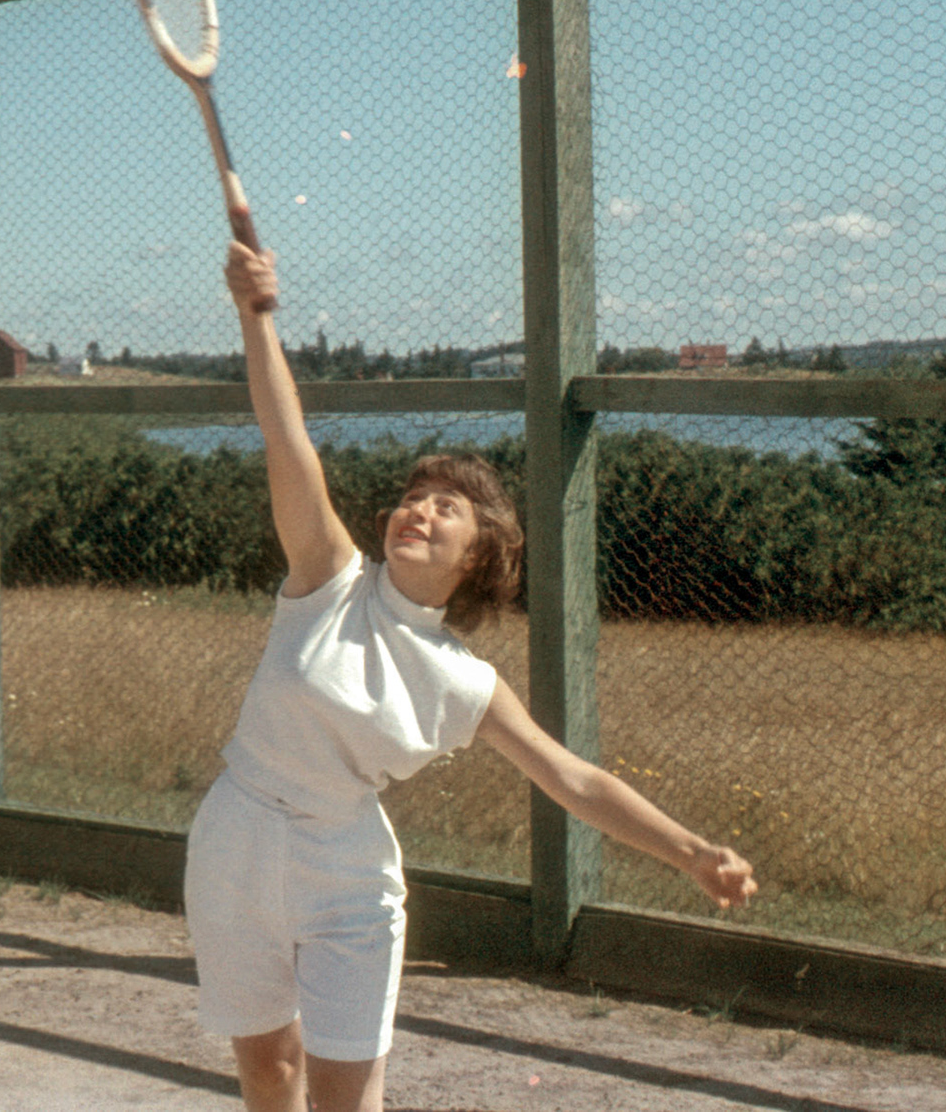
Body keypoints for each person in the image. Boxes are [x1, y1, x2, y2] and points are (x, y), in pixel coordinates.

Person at [186, 242, 758, 1112]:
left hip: (346, 872)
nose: (419, 509)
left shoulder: (467, 683)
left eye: (446, 505)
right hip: (234, 840)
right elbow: (285, 433)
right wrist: (255, 316)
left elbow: (575, 779)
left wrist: (692, 854)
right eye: (414, 497)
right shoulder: (326, 578)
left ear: (480, 553)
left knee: (346, 1099)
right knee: (271, 1074)